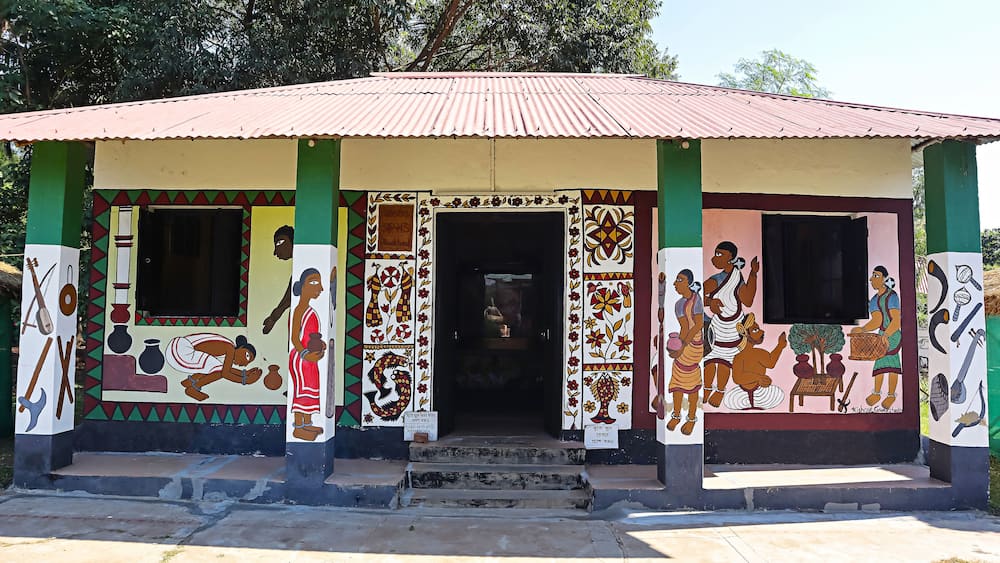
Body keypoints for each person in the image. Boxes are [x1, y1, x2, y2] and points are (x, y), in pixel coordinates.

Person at [702, 241, 759, 407]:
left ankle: (719, 391)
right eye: (715, 253)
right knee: (711, 359)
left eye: (720, 254)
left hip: (733, 327)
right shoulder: (715, 280)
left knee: (726, 361)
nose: (715, 258)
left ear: (731, 257)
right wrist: (710, 302)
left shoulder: (736, 278)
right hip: (717, 326)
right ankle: (706, 388)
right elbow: (696, 297)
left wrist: (753, 274)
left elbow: (747, 300)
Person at [851, 266, 902, 409]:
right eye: (872, 275)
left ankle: (891, 395)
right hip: (882, 334)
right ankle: (877, 393)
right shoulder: (874, 300)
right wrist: (863, 329)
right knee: (879, 363)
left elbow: (896, 320)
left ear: (884, 279)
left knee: (892, 364)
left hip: (892, 334)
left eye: (876, 275)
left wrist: (886, 334)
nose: (872, 279)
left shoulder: (892, 296)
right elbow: (877, 321)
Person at [289, 268, 326, 441]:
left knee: (311, 388)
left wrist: (321, 345)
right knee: (301, 390)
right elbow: (295, 337)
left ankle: (307, 422)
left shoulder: (310, 310)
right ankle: (298, 427)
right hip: (300, 357)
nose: (319, 287)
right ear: (302, 286)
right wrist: (304, 354)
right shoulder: (299, 310)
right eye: (313, 282)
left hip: (310, 359)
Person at [168, 334, 261, 401]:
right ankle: (193, 388)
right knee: (217, 368)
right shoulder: (230, 348)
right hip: (181, 351)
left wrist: (244, 373)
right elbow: (225, 373)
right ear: (241, 348)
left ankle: (189, 381)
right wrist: (245, 380)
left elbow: (224, 367)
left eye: (248, 363)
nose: (245, 363)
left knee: (213, 365)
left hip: (176, 348)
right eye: (247, 356)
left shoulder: (227, 346)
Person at [665, 269, 704, 435]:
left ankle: (691, 417)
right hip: (685, 340)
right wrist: (678, 344)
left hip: (695, 344)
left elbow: (698, 324)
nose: (675, 283)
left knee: (691, 380)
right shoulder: (679, 304)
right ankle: (675, 414)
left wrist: (684, 344)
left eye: (679, 280)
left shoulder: (697, 300)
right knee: (677, 377)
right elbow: (684, 327)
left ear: (688, 283)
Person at [724, 314, 786, 410]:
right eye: (755, 330)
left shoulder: (759, 353)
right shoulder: (739, 357)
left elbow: (771, 363)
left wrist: (780, 346)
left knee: (778, 393)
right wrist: (759, 378)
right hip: (742, 394)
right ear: (746, 334)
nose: (762, 332)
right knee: (729, 399)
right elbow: (737, 378)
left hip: (760, 392)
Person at [263, 225, 294, 335]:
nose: (275, 252)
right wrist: (274, 316)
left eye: (279, 243)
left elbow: (293, 295)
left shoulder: (307, 263)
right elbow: (291, 293)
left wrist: (275, 316)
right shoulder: (299, 266)